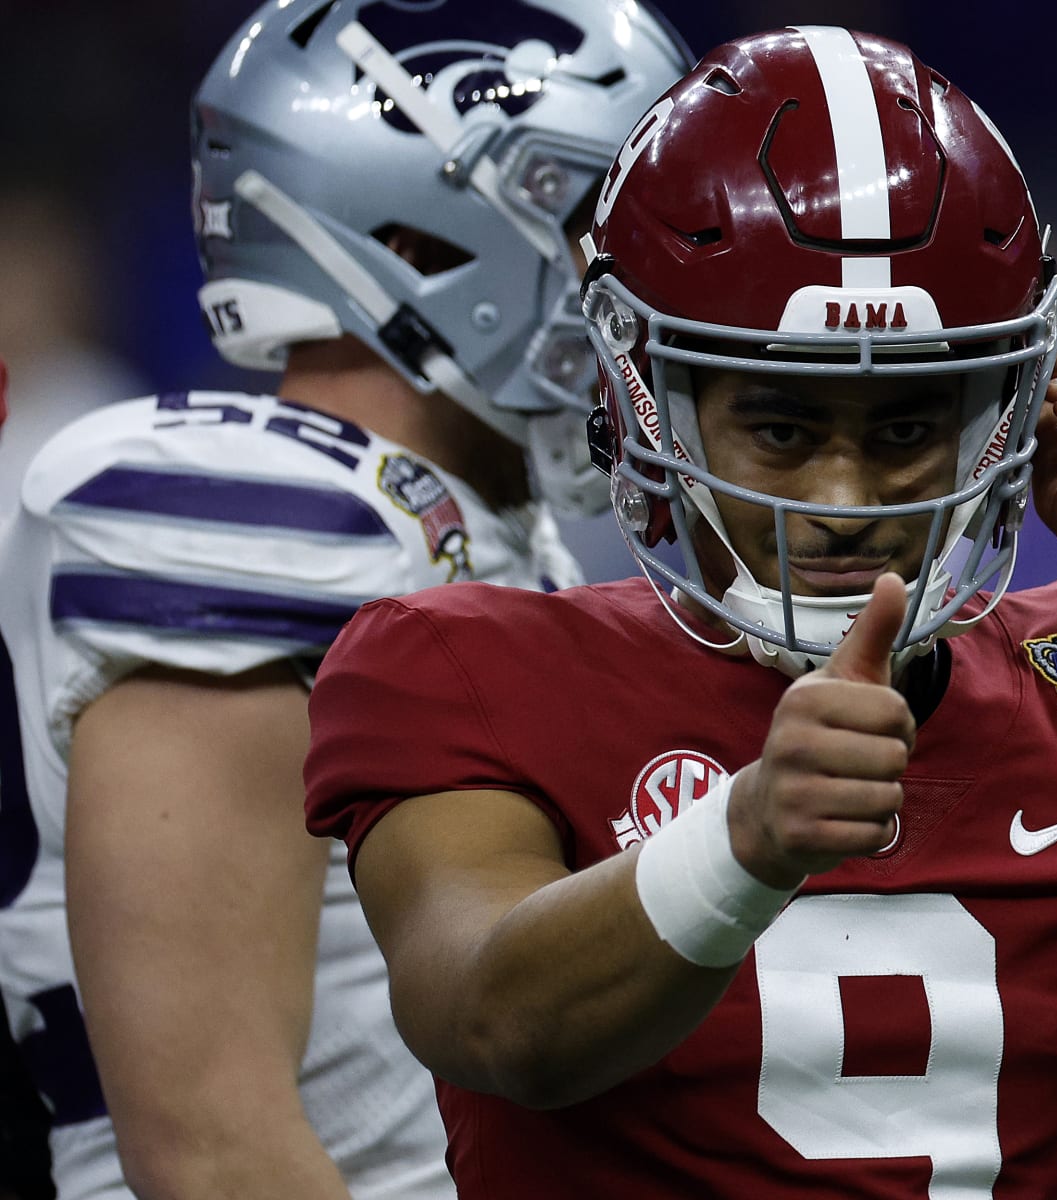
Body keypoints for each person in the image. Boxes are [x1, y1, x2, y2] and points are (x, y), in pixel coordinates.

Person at [304, 26, 1057, 1197]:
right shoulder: (464, 661)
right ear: (648, 402)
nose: (845, 500)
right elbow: (493, 1024)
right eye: (781, 429)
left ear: (1002, 418)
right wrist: (742, 844)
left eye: (905, 430)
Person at [0, 2, 688, 1197]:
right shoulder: (246, 518)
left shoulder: (487, 538)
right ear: (425, 237)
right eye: (601, 226)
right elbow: (218, 1152)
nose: (659, 281)